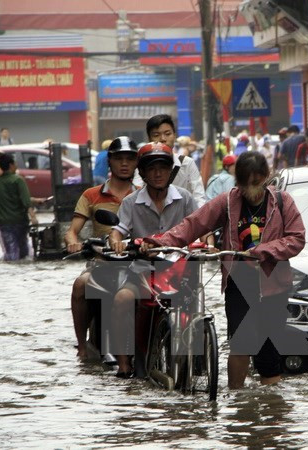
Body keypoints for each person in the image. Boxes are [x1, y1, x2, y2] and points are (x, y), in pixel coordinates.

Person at [141, 151, 306, 388]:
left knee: (269, 352)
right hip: (239, 283)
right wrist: (160, 242)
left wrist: (264, 250)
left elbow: (297, 238)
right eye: (245, 183)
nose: (251, 189)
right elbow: (194, 224)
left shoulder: (282, 202)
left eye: (256, 182)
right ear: (237, 182)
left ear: (265, 177)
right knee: (240, 343)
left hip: (273, 287)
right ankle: (238, 403)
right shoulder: (228, 202)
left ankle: (272, 412)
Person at [109, 142, 198, 377]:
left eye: (163, 168)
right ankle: (124, 362)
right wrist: (116, 241)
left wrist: (207, 243)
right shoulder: (131, 202)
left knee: (197, 307)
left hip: (180, 270)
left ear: (171, 171)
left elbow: (200, 227)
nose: (158, 173)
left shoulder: (186, 198)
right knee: (121, 299)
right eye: (152, 168)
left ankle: (197, 359)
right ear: (144, 172)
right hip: (142, 270)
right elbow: (118, 230)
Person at [64, 136, 139, 360]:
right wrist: (73, 242)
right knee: (79, 286)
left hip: (136, 261)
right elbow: (72, 230)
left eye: (129, 159)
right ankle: (82, 346)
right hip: (102, 261)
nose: (124, 164)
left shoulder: (143, 194)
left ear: (136, 163)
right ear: (110, 162)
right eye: (119, 159)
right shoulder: (91, 195)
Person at [139, 114, 207, 208]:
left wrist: (194, 220)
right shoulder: (142, 164)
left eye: (167, 134)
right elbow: (138, 191)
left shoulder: (187, 163)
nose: (163, 139)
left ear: (174, 136)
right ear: (149, 139)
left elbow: (199, 197)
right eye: (156, 135)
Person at [0, 153, 37, 261]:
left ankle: (11, 270)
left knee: (11, 250)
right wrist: (33, 217)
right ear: (11, 165)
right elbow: (26, 201)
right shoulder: (18, 180)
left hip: (4, 223)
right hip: (20, 221)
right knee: (23, 251)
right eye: (15, 163)